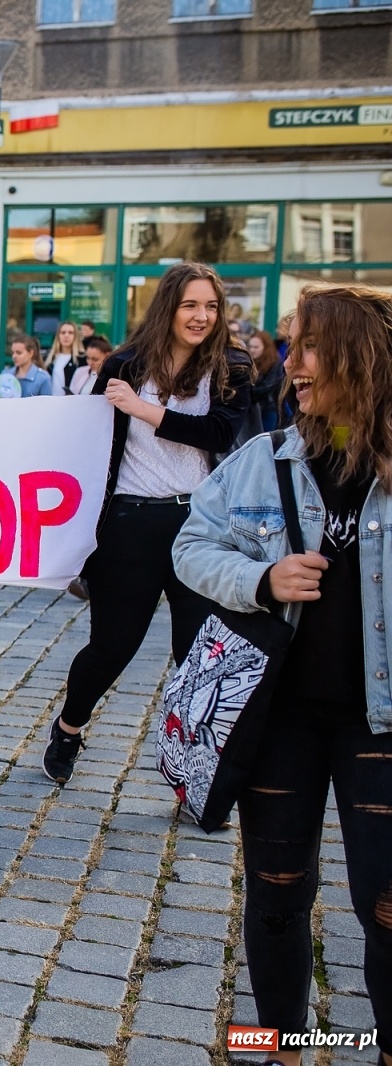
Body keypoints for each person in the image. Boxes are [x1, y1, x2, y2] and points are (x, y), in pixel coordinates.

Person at [172, 284, 392, 1066]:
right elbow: (191, 546)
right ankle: (280, 1051)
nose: (290, 363)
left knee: (384, 903)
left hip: (380, 721)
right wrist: (261, 582)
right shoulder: (264, 461)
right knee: (273, 895)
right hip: (280, 717)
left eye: (307, 347)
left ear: (359, 356)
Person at [43, 261, 253, 785]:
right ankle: (69, 727)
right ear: (169, 307)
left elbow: (219, 434)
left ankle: (195, 770)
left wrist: (143, 410)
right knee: (113, 646)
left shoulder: (231, 365)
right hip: (129, 525)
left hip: (200, 526)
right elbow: (86, 441)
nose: (202, 316)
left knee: (198, 654)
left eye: (211, 306)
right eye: (190, 305)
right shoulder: (125, 364)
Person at [247, 330, 285, 433]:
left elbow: (269, 386)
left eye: (256, 347)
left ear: (265, 347)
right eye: (250, 347)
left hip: (267, 409)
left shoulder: (275, 363)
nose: (252, 350)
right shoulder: (247, 362)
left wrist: (248, 391)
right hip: (250, 409)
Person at [48, 321, 84, 394]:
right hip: (51, 402)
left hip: (71, 402)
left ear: (75, 336)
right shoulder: (50, 358)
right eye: (63, 332)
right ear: (58, 335)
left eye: (70, 332)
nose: (66, 335)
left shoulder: (82, 359)